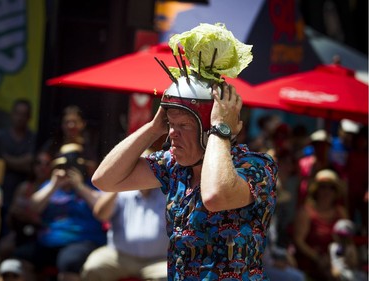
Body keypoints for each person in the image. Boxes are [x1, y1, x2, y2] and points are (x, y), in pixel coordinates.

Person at [92, 23, 278, 280]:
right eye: (171, 124)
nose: (171, 133)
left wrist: (219, 129)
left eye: (183, 125)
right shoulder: (174, 166)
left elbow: (214, 196)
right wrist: (153, 126)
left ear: (209, 127)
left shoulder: (256, 166)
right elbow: (104, 180)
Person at [13, 143, 106, 281]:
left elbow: (102, 208)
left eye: (73, 166)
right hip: (49, 242)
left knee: (69, 262)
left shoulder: (92, 186)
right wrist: (53, 185)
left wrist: (79, 186)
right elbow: (33, 207)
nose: (68, 170)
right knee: (19, 258)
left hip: (82, 241)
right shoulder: (51, 185)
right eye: (65, 166)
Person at [81, 149, 168, 280]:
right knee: (93, 268)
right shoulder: (121, 191)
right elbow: (101, 214)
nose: (142, 172)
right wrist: (119, 183)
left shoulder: (167, 193)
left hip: (158, 260)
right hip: (119, 256)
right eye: (138, 167)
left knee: (168, 276)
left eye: (148, 167)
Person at [293, 169, 348, 281]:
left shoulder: (341, 212)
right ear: (316, 190)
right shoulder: (306, 212)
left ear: (336, 192)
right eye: (323, 187)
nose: (327, 191)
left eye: (331, 187)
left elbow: (347, 238)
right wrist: (317, 257)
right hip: (311, 264)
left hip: (337, 262)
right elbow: (299, 241)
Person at [0, 151, 53, 260]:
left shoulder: (56, 188)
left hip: (43, 233)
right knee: (4, 247)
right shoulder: (24, 187)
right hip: (22, 230)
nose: (42, 167)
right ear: (33, 166)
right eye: (38, 163)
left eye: (47, 164)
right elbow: (10, 217)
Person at [0, 99, 36, 238]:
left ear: (29, 117)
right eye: (17, 113)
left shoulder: (33, 138)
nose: (20, 118)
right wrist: (20, 162)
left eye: (24, 114)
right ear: (12, 114)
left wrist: (8, 159)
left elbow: (30, 163)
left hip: (22, 197)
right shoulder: (0, 137)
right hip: (2, 192)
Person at [41, 105, 98, 177]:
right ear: (62, 124)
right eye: (67, 122)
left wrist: (79, 162)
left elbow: (95, 172)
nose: (71, 126)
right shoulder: (52, 145)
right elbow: (42, 168)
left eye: (75, 122)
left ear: (83, 124)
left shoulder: (89, 146)